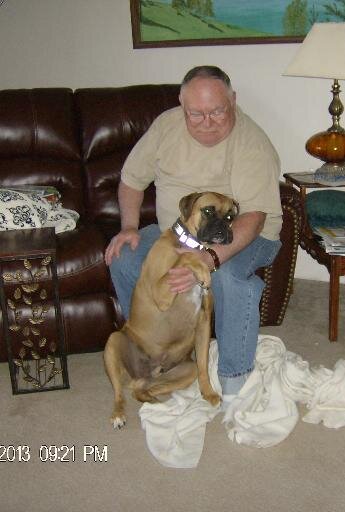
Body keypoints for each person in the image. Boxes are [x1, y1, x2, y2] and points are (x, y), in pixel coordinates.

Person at [105, 65, 282, 403]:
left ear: (232, 100)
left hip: (244, 234)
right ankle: (152, 350)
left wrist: (209, 258)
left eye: (217, 110)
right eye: (195, 113)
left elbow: (256, 217)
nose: (207, 122)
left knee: (228, 276)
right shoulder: (166, 126)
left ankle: (234, 377)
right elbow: (132, 179)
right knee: (124, 259)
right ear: (181, 105)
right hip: (178, 232)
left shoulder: (251, 143)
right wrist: (128, 227)